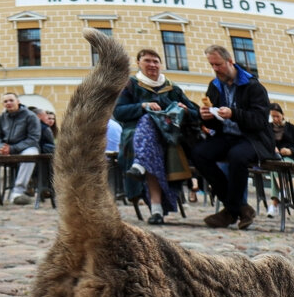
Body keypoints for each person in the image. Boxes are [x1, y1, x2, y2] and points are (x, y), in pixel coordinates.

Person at [192, 44, 275, 230]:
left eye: (218, 64)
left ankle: (230, 211)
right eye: (211, 65)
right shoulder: (214, 86)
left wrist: (234, 114)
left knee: (237, 156)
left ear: (230, 61)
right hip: (227, 136)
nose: (215, 69)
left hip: (253, 139)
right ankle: (240, 208)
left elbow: (260, 121)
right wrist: (206, 117)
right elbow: (215, 122)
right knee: (199, 153)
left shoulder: (253, 86)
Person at [113, 48, 200, 224]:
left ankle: (140, 165)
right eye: (147, 60)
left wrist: (186, 110)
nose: (152, 65)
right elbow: (118, 112)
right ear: (138, 63)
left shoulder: (171, 88)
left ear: (161, 64)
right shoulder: (131, 85)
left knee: (151, 141)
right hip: (137, 133)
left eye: (155, 61)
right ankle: (156, 208)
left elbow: (195, 112)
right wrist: (143, 106)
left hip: (170, 134)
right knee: (148, 120)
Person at [0, 92, 41, 205]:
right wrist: (0, 147)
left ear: (18, 101)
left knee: (30, 156)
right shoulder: (0, 118)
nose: (8, 103)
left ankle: (17, 192)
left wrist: (12, 149)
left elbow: (33, 138)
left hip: (26, 147)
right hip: (4, 148)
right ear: (3, 104)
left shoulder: (30, 116)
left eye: (11, 100)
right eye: (5, 101)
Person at [267, 103, 294, 218]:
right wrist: (272, 148)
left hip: (290, 159)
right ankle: (284, 191)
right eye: (273, 117)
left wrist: (290, 151)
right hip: (276, 158)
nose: (275, 119)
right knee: (275, 166)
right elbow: (265, 143)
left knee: (278, 166)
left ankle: (274, 205)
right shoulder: (269, 128)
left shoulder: (291, 128)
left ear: (283, 115)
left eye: (277, 116)